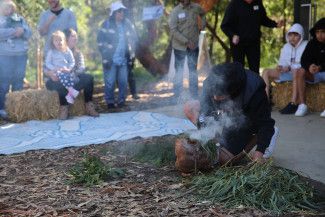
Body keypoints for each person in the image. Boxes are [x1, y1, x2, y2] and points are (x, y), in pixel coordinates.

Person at [184, 62, 276, 162]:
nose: (215, 98)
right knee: (214, 153)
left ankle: (262, 137)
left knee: (227, 159)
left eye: (221, 97)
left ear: (234, 92)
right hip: (228, 117)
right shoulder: (211, 83)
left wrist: (259, 152)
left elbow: (266, 123)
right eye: (213, 95)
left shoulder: (254, 91)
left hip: (246, 119)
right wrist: (199, 123)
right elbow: (204, 111)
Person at [44, 29, 99, 120]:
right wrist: (51, 74)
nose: (76, 38)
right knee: (57, 84)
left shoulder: (77, 53)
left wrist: (69, 72)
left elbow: (81, 69)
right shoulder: (52, 51)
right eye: (73, 36)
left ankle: (88, 105)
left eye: (76, 36)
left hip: (72, 77)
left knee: (89, 78)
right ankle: (64, 107)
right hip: (56, 78)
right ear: (67, 38)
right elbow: (45, 67)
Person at [221, 0, 283, 74]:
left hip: (254, 43)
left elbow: (263, 19)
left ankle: (255, 85)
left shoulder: (258, 2)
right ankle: (240, 85)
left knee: (255, 70)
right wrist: (232, 35)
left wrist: (275, 24)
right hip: (238, 44)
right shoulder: (234, 4)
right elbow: (224, 26)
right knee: (238, 70)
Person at [97, 1, 137, 109]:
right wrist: (105, 55)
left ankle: (121, 101)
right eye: (119, 11)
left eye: (123, 11)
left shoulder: (127, 24)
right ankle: (110, 102)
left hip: (124, 58)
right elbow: (100, 41)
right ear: (114, 12)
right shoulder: (106, 24)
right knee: (110, 82)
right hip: (110, 59)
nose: (122, 13)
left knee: (123, 81)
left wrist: (131, 53)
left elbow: (134, 38)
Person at [262, 23, 307, 113]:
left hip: (299, 74)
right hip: (287, 73)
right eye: (290, 35)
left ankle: (293, 103)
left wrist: (289, 68)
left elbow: (305, 64)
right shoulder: (286, 47)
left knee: (295, 70)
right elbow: (282, 63)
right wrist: (280, 67)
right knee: (266, 71)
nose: (292, 38)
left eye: (295, 35)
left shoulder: (306, 45)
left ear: (301, 35)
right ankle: (265, 102)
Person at [0, 0, 31, 119]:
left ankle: (17, 109)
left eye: (11, 7)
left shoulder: (19, 19)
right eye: (7, 7)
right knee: (4, 83)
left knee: (18, 82)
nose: (9, 9)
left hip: (21, 55)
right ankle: (2, 108)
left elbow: (28, 33)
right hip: (5, 55)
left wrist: (23, 31)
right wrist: (14, 32)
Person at [168, 0, 206, 98]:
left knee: (193, 70)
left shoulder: (196, 7)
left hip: (193, 46)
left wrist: (202, 25)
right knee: (179, 71)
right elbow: (173, 30)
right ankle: (177, 96)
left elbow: (203, 14)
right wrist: (186, 42)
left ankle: (194, 95)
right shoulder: (175, 11)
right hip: (180, 47)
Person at [294, 18, 325, 117]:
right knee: (300, 71)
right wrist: (309, 66)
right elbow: (303, 60)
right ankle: (302, 105)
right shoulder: (312, 43)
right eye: (317, 32)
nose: (319, 35)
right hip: (315, 73)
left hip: (323, 70)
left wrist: (320, 67)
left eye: (323, 32)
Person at [45, 30, 78, 104]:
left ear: (64, 41)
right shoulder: (51, 52)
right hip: (57, 71)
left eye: (61, 40)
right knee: (62, 77)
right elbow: (48, 63)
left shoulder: (67, 50)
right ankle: (71, 91)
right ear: (53, 42)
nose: (59, 42)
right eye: (56, 40)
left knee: (73, 78)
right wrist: (54, 68)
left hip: (66, 70)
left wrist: (68, 68)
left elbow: (72, 61)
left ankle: (70, 93)